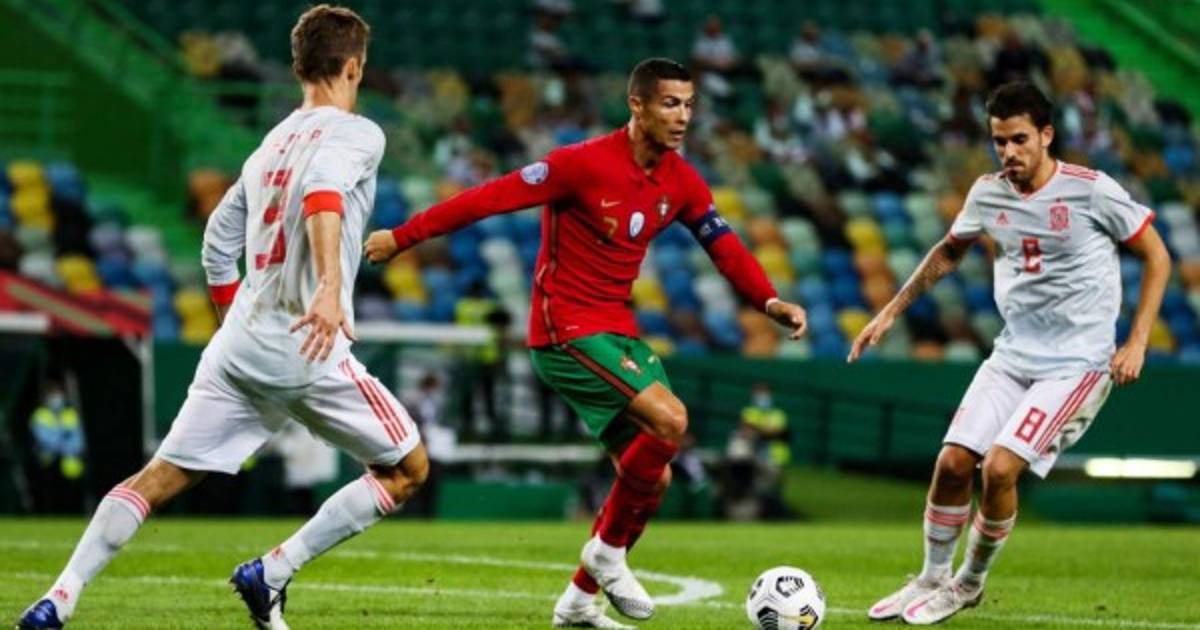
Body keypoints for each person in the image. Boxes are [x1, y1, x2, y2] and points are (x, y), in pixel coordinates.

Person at [16, 6, 428, 628]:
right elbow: (322, 192)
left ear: (298, 67)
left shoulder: (269, 147)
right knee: (407, 470)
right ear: (354, 67)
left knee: (156, 478)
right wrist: (328, 288)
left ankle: (58, 598)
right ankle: (273, 571)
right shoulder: (359, 134)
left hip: (239, 346)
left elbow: (216, 241)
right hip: (308, 347)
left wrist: (238, 318)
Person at [365, 58, 808, 628]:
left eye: (689, 105)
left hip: (617, 330)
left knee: (654, 474)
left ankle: (577, 602)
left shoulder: (682, 180)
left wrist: (768, 301)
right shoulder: (580, 164)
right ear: (637, 105)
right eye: (670, 103)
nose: (682, 116)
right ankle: (606, 555)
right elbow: (488, 198)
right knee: (671, 421)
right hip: (564, 329)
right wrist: (403, 236)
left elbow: (724, 247)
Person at [848, 81, 1169, 625]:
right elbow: (949, 251)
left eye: (1019, 139)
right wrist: (890, 312)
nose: (1008, 152)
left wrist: (1136, 341)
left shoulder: (1092, 191)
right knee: (952, 463)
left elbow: (1157, 256)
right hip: (1012, 355)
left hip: (1076, 366)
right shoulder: (988, 192)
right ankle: (930, 579)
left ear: (1046, 135)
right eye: (999, 141)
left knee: (998, 469)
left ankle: (968, 584)